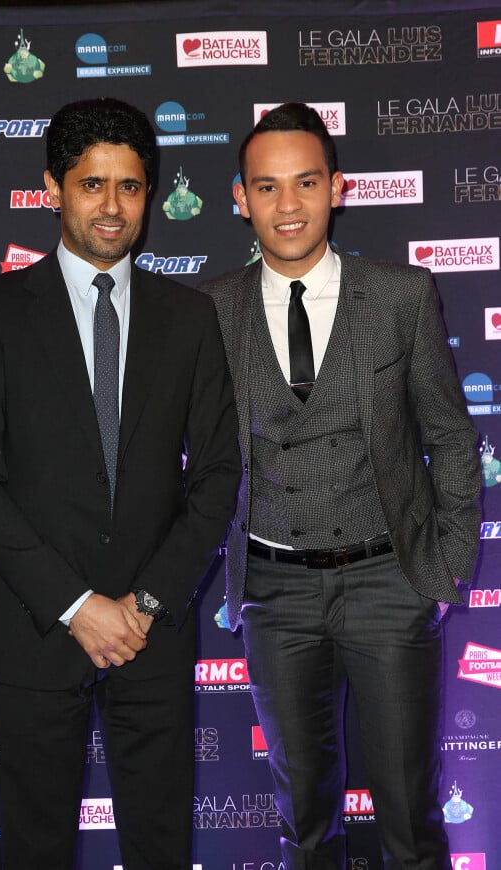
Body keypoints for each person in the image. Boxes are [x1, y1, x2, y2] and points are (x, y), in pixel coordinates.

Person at [0, 97, 241, 870]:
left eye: (131, 187)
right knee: (34, 850)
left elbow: (216, 477)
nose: (112, 207)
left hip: (153, 636)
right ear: (54, 188)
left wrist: (140, 605)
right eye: (91, 184)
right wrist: (78, 607)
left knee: (160, 846)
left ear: (150, 193)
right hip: (37, 632)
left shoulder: (189, 319)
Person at [201, 102, 481, 869]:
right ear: (240, 198)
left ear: (338, 188)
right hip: (272, 589)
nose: (287, 206)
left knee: (411, 820)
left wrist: (446, 569)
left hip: (391, 579)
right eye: (266, 187)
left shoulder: (400, 296)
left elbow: (453, 436)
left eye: (305, 183)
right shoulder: (207, 308)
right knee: (303, 823)